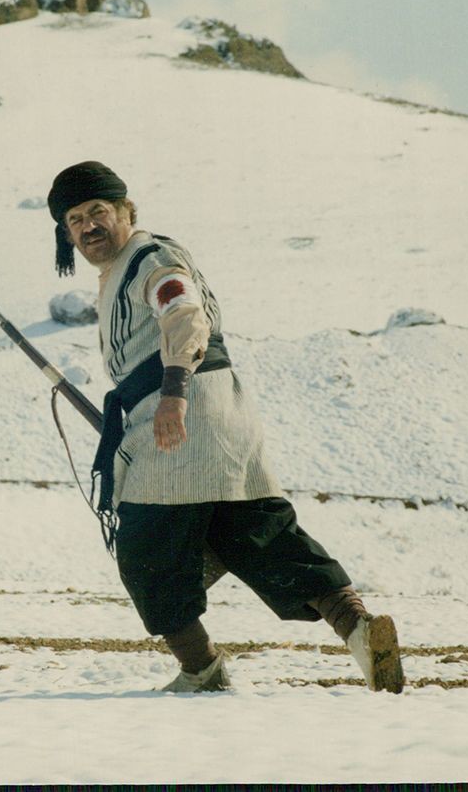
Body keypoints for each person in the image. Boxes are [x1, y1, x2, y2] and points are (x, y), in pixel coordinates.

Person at [46, 160, 404, 694]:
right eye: (75, 220)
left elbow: (184, 313)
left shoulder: (152, 259)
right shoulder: (124, 270)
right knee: (262, 537)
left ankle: (202, 670)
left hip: (178, 418)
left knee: (147, 552)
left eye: (99, 211)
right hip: (227, 424)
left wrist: (172, 393)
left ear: (127, 211)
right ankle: (358, 631)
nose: (88, 226)